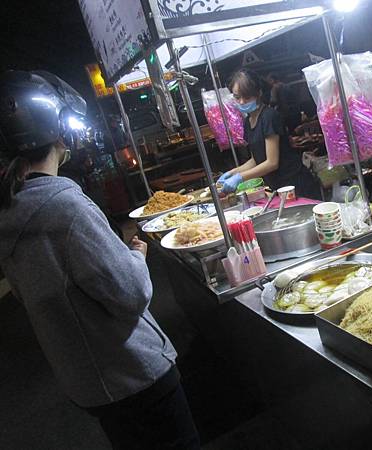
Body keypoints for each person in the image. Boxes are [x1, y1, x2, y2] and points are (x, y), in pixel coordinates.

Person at [0, 70, 200, 449]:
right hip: (135, 375)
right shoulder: (65, 206)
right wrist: (136, 255)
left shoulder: (10, 210)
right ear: (58, 130)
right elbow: (130, 293)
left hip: (87, 384)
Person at [219, 69, 320, 199]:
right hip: (277, 186)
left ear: (259, 93)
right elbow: (256, 159)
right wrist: (233, 173)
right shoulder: (248, 122)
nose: (242, 102)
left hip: (295, 184)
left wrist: (240, 177)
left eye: (247, 96)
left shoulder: (269, 117)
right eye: (237, 97)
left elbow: (272, 162)